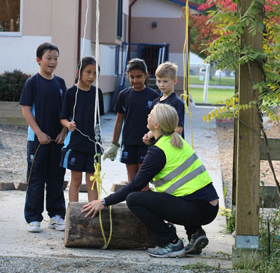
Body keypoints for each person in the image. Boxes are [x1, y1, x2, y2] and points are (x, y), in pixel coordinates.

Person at [83, 103, 219, 258]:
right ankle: (195, 233)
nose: (148, 115)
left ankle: (171, 242)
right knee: (172, 193)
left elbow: (136, 184)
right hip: (208, 206)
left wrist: (105, 202)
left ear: (156, 124)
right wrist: (152, 142)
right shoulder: (176, 140)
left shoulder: (158, 151)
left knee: (134, 199)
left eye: (151, 114)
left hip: (198, 209)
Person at [20, 42, 67, 233]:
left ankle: (56, 216)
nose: (52, 62)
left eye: (55, 58)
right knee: (36, 179)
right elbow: (25, 110)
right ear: (38, 60)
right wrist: (39, 133)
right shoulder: (32, 82)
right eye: (48, 58)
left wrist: (64, 133)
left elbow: (66, 113)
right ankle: (33, 218)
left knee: (56, 178)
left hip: (58, 141)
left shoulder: (61, 83)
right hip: (37, 141)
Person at [103, 58, 158, 184]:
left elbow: (158, 123)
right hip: (129, 142)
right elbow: (118, 121)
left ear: (146, 75)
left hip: (147, 143)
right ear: (128, 76)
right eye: (132, 77)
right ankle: (132, 203)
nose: (135, 80)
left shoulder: (154, 96)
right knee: (132, 182)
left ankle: (143, 203)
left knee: (143, 182)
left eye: (139, 76)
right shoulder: (123, 95)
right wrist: (114, 144)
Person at [60, 56, 104, 202]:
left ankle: (93, 214)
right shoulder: (71, 92)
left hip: (93, 146)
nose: (92, 76)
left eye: (95, 73)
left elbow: (99, 119)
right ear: (79, 72)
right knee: (76, 181)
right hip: (76, 144)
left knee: (92, 182)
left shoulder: (98, 93)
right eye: (88, 72)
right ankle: (73, 214)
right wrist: (68, 125)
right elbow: (63, 118)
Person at [144, 62, 185, 145]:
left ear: (175, 81)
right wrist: (149, 136)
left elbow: (179, 129)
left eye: (165, 81)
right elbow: (153, 125)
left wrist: (154, 133)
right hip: (157, 145)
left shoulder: (177, 103)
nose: (161, 85)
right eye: (159, 81)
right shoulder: (155, 102)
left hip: (171, 146)